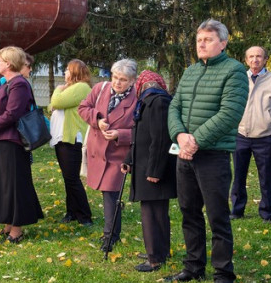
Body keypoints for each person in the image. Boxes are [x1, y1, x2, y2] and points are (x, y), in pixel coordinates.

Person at [166, 19, 247, 283]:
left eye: (208, 39)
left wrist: (195, 140)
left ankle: (223, 275)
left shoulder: (234, 71)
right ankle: (194, 266)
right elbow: (174, 106)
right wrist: (179, 135)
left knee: (217, 217)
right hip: (185, 154)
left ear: (223, 43)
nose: (201, 44)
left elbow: (230, 113)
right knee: (189, 211)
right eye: (199, 39)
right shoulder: (190, 71)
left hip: (213, 156)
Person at [0, 46, 44, 243]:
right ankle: (8, 223)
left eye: (0, 60)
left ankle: (17, 229)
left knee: (14, 185)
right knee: (3, 185)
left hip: (11, 143)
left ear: (8, 63)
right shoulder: (8, 83)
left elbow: (12, 114)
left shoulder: (19, 84)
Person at [79, 59, 137, 251]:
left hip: (119, 154)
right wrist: (97, 120)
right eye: (115, 77)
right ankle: (111, 233)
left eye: (123, 79)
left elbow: (143, 130)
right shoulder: (100, 89)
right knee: (108, 193)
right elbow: (83, 108)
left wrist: (121, 134)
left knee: (111, 192)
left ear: (132, 81)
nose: (117, 82)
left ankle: (110, 236)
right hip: (97, 149)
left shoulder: (137, 98)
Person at [122, 70, 176, 272]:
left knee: (153, 214)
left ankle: (155, 258)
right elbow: (139, 137)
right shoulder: (146, 101)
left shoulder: (158, 102)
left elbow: (161, 138)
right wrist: (129, 160)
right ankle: (158, 250)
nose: (145, 87)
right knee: (154, 211)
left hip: (154, 168)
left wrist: (155, 170)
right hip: (146, 165)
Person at [229, 46, 271, 222]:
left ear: (265, 59)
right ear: (246, 60)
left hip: (265, 138)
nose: (255, 60)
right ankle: (237, 210)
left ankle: (267, 212)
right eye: (251, 56)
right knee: (238, 176)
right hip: (241, 136)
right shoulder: (239, 79)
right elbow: (230, 105)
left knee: (266, 177)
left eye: (259, 56)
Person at [49, 59, 93, 226]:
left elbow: (56, 102)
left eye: (67, 69)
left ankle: (85, 215)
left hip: (71, 138)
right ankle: (72, 212)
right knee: (68, 178)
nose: (65, 72)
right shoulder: (70, 89)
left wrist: (58, 90)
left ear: (75, 72)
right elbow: (51, 107)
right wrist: (58, 98)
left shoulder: (81, 87)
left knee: (72, 178)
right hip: (62, 138)